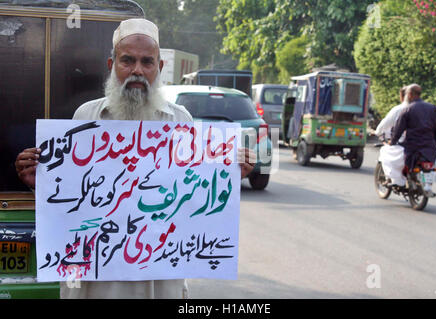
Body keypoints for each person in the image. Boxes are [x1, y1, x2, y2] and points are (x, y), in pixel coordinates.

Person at [14, 18, 256, 299]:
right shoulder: (86, 117)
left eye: (147, 62)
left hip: (158, 278)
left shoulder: (180, 121)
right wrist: (39, 181)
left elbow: (193, 199)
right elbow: (71, 197)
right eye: (127, 60)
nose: (137, 71)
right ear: (111, 65)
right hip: (96, 281)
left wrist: (227, 175)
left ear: (160, 68)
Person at [390, 84, 436, 175]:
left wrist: (392, 142)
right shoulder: (432, 108)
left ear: (409, 94)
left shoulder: (407, 109)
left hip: (412, 149)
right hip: (430, 149)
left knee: (396, 164)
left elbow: (398, 130)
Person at [375, 86, 409, 186]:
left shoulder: (399, 109)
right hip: (422, 145)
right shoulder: (423, 109)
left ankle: (394, 180)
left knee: (385, 152)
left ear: (402, 97)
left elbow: (385, 124)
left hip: (403, 144)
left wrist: (378, 132)